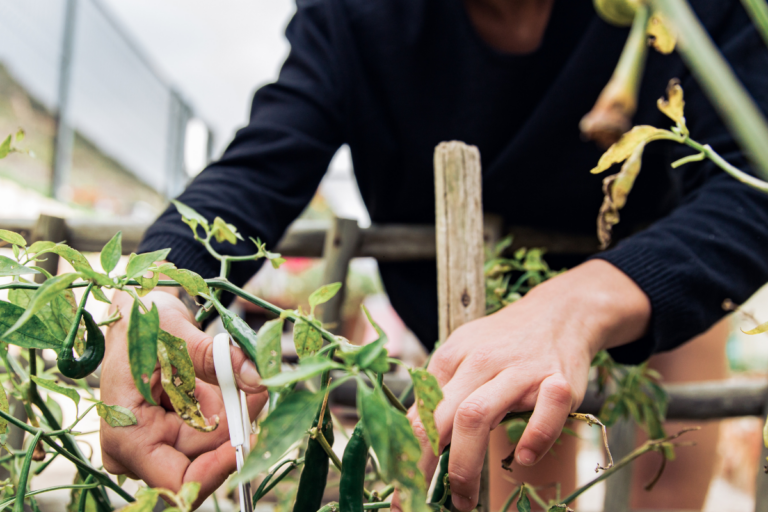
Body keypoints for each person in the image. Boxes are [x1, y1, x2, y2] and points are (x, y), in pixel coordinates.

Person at [99, 0, 768, 510]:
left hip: (650, 272)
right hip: (477, 305)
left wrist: (578, 303)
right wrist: (156, 287)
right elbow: (265, 163)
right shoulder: (357, 16)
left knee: (670, 463)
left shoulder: (683, 13)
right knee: (520, 465)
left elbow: (754, 178)